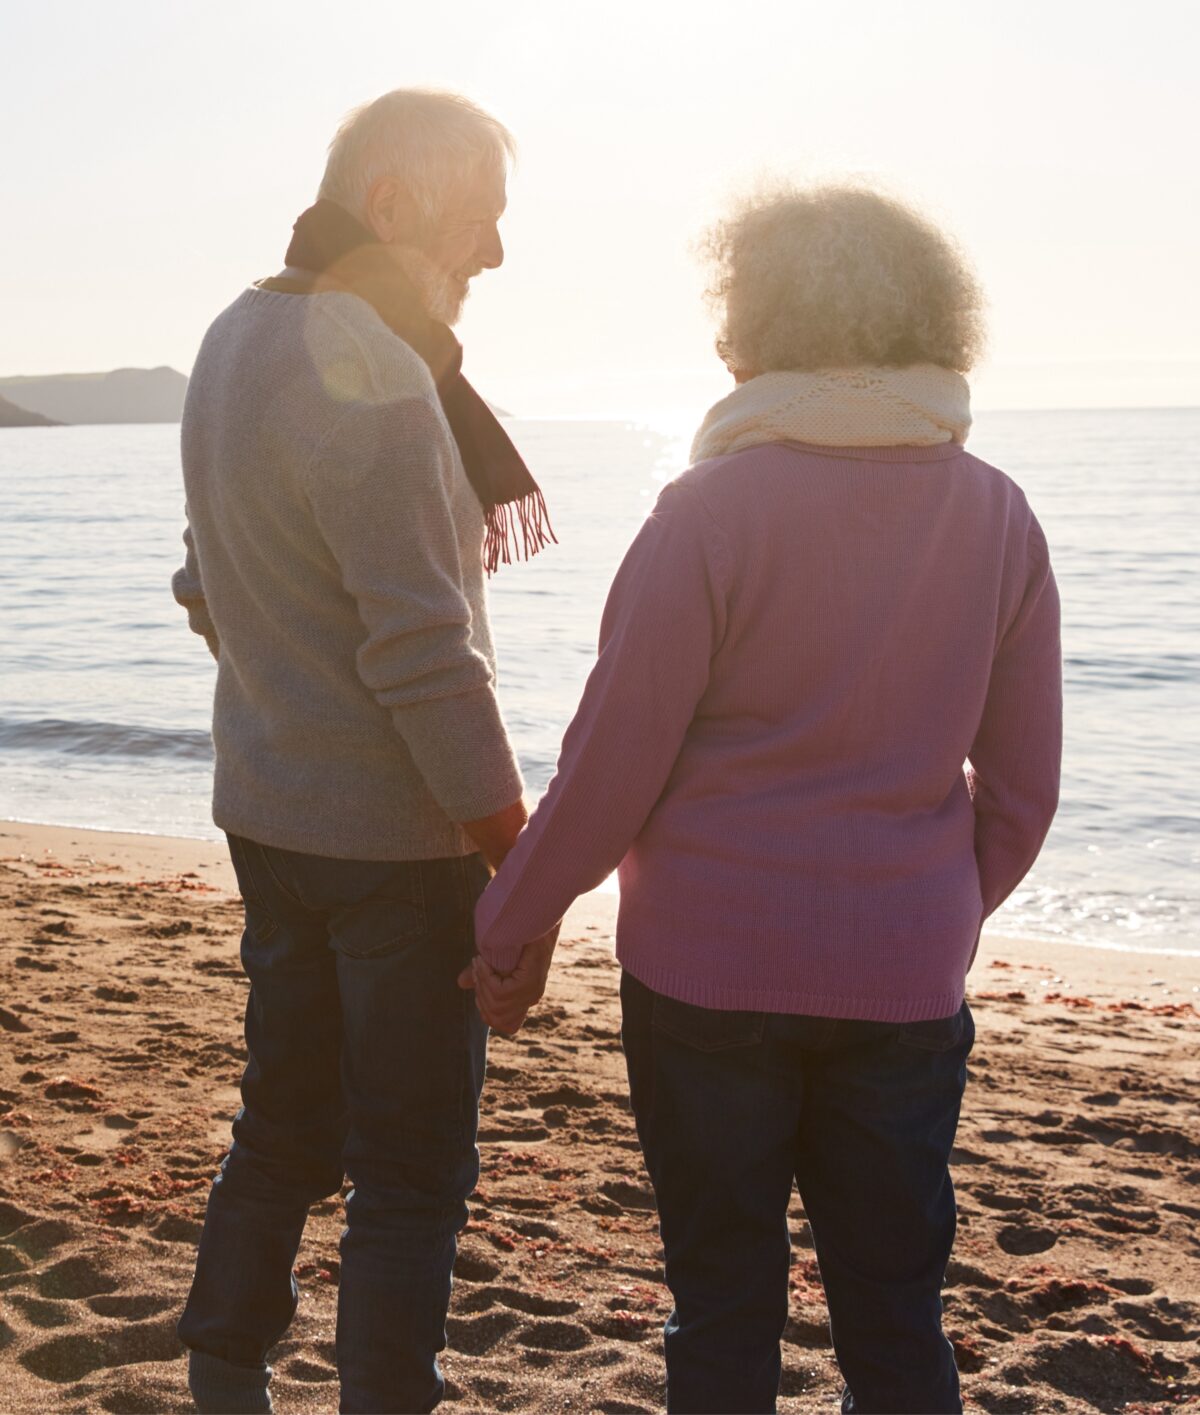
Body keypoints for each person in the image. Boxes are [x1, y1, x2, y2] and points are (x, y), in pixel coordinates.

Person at [469, 183, 1062, 1413]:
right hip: (904, 982)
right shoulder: (998, 512)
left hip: (705, 979)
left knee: (724, 1305)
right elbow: (1024, 791)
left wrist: (510, 924)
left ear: (759, 326)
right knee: (896, 1313)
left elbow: (609, 769)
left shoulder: (707, 513)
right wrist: (933, 907)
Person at [170, 88, 553, 1415]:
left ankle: (225, 1378)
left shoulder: (233, 334)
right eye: (482, 218)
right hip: (395, 848)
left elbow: (201, 578)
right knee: (411, 1163)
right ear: (392, 204)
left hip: (269, 816)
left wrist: (285, 688)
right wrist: (518, 852)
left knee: (282, 1120)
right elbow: (425, 655)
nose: (495, 253)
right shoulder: (378, 371)